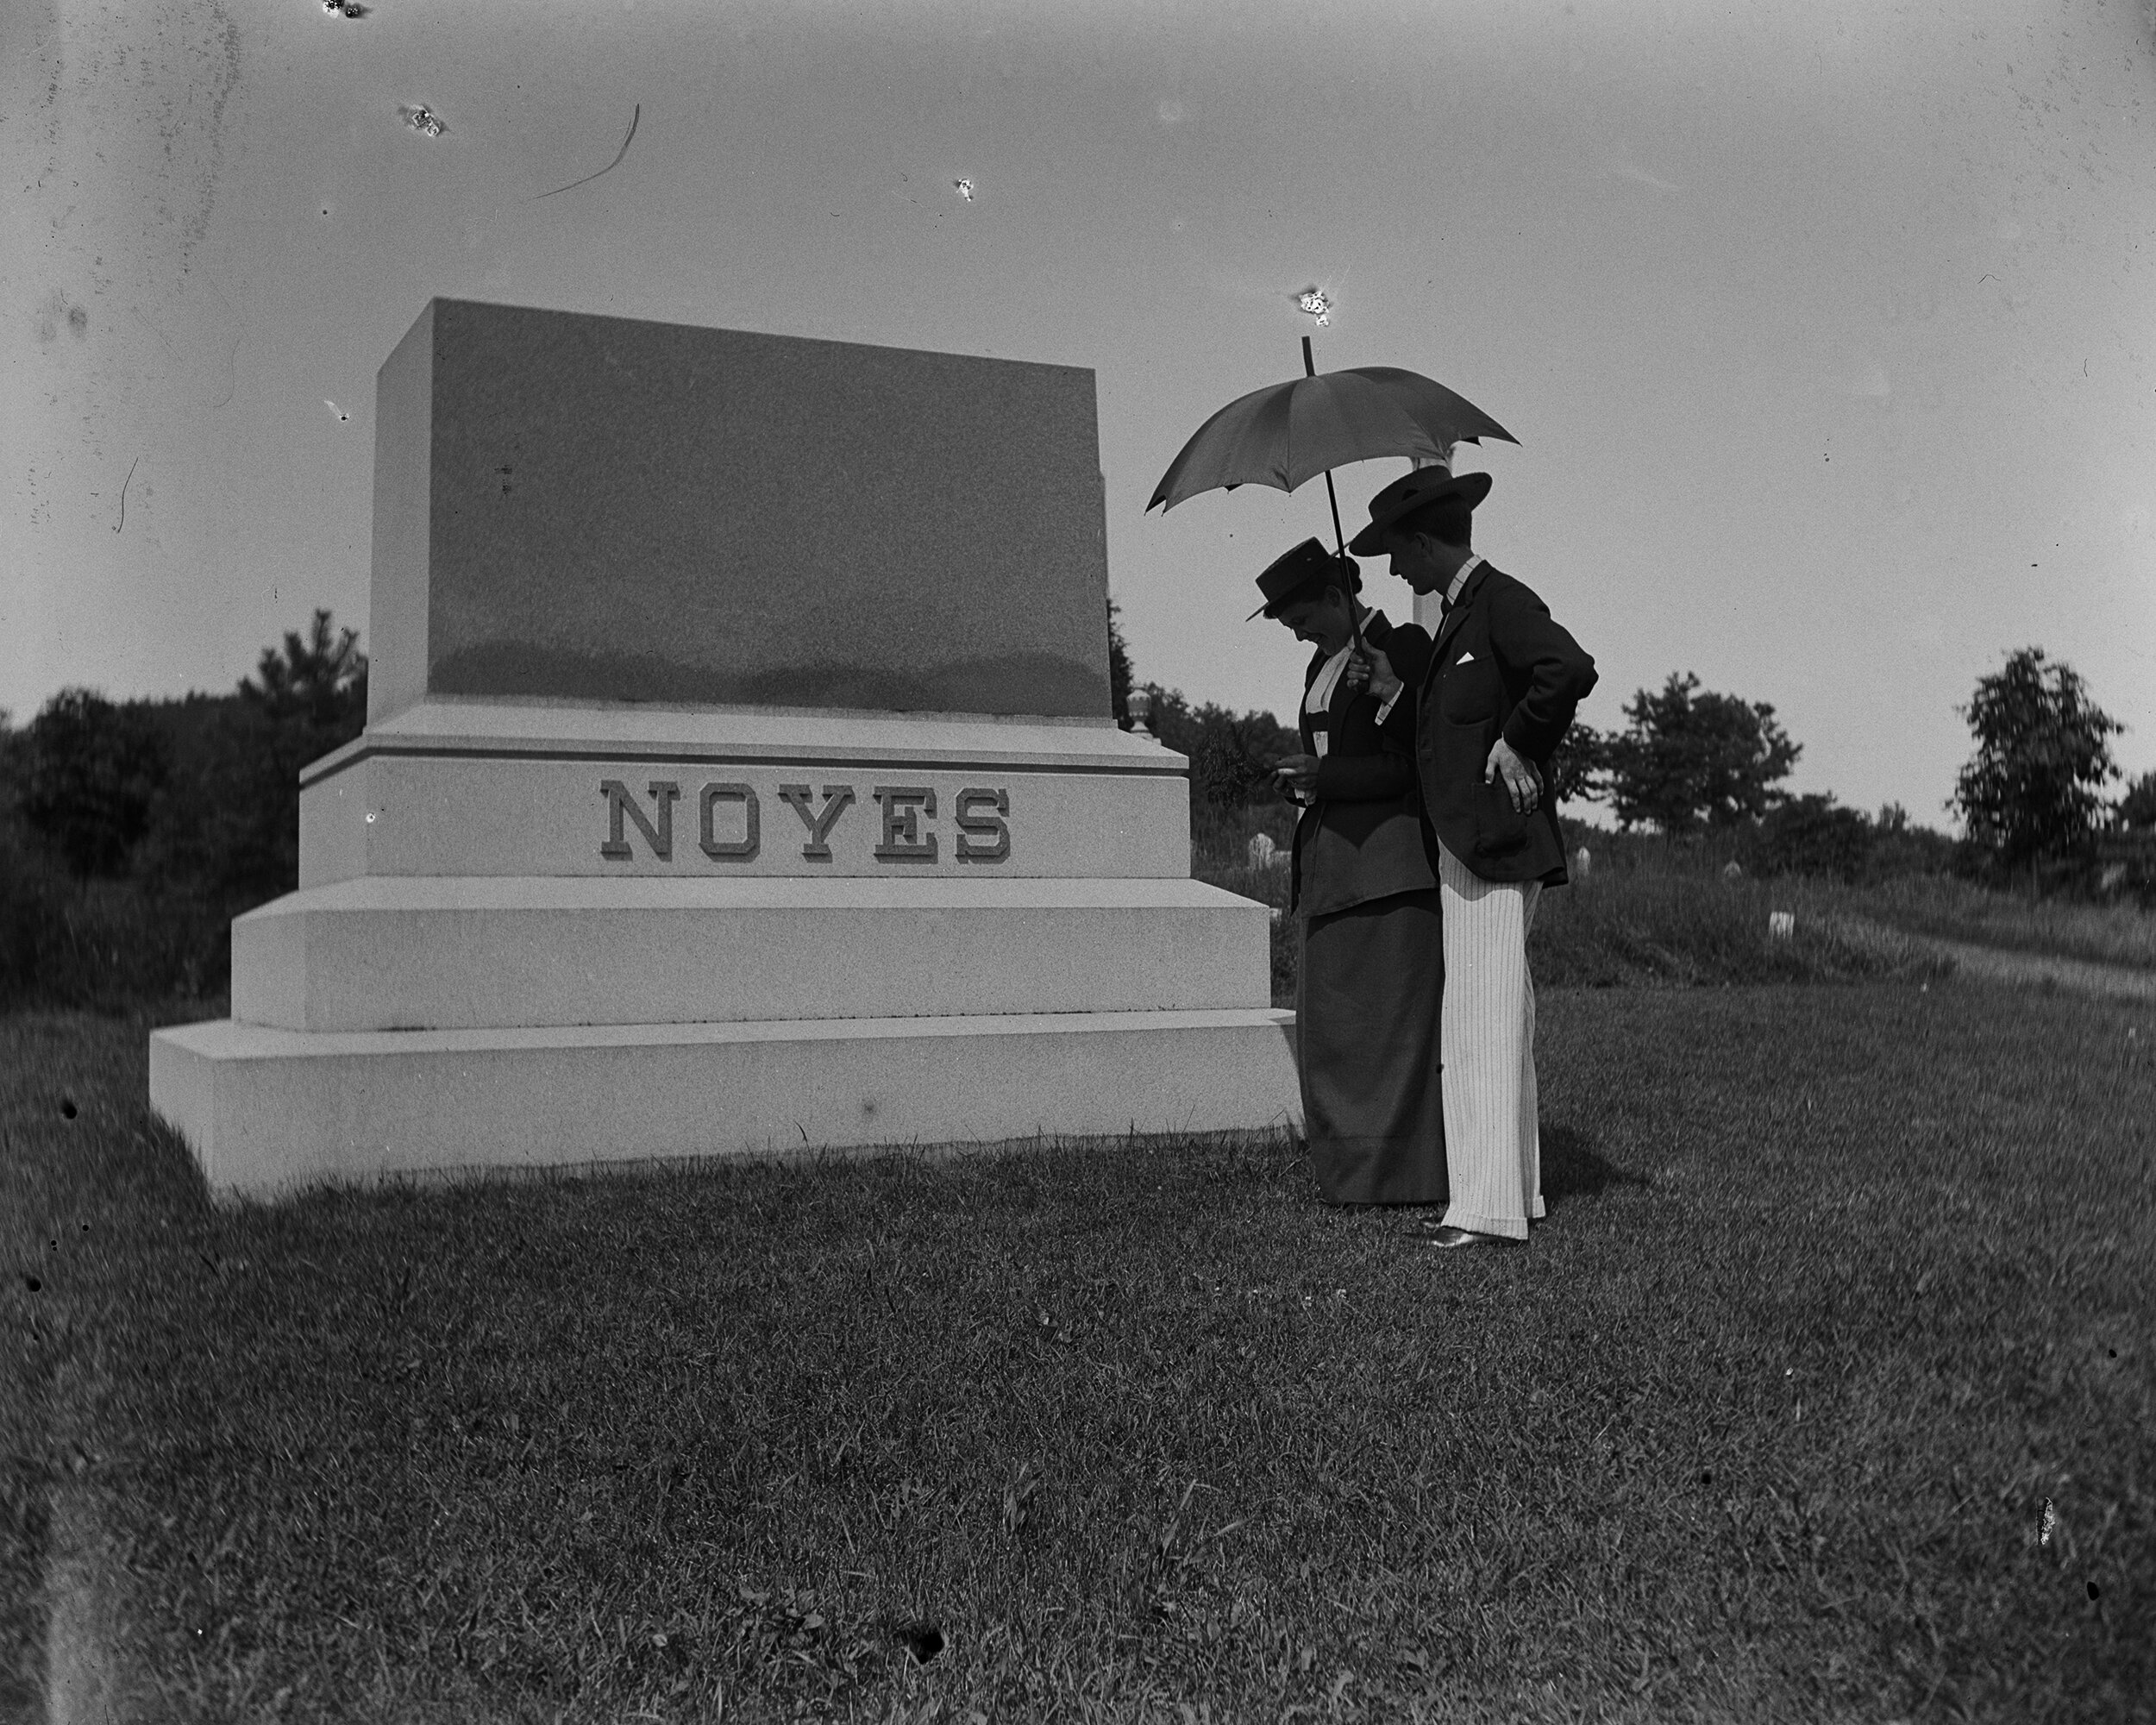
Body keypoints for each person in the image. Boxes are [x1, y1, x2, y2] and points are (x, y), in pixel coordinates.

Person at [1351, 465, 1597, 1249]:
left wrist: (1518, 741)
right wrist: (1392, 690)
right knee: (1490, 1021)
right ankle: (1508, 1197)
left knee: (1482, 1028)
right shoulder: (1462, 617)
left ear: (1425, 543)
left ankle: (1484, 1215)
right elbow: (1437, 734)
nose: (1392, 569)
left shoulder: (1501, 601)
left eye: (1397, 552)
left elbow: (1569, 668)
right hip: (1469, 846)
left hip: (1494, 848)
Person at [1250, 536, 1448, 1208]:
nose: (1301, 635)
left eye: (1306, 619)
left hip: (1389, 866)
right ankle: (1348, 1170)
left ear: (1339, 597)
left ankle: (1403, 1175)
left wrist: (1331, 770)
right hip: (1335, 860)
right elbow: (1332, 755)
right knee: (1335, 1025)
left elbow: (1412, 765)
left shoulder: (1404, 650)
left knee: (1388, 1027)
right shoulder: (1322, 667)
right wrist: (1307, 783)